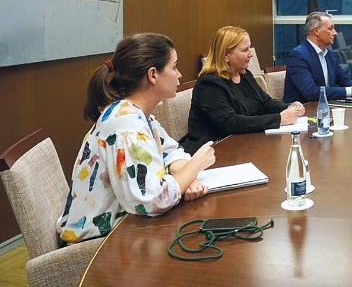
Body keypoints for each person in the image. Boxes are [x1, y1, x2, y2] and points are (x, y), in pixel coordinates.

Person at [57, 34, 216, 244]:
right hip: (99, 244)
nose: (179, 75)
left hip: (126, 230)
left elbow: (170, 151)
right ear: (153, 75)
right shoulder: (126, 125)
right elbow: (152, 201)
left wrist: (187, 177)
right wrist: (195, 165)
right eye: (174, 67)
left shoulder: (135, 114)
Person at [181, 26, 305, 154]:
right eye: (245, 50)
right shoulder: (209, 84)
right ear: (226, 55)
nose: (251, 54)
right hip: (215, 150)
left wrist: (289, 107)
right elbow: (230, 123)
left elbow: (266, 103)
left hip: (246, 144)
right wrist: (279, 119)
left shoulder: (245, 75)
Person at [283, 12, 352, 103]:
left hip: (326, 107)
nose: (335, 33)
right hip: (302, 111)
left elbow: (343, 78)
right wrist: (350, 91)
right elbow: (311, 92)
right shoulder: (298, 55)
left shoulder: (329, 54)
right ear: (316, 31)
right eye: (330, 29)